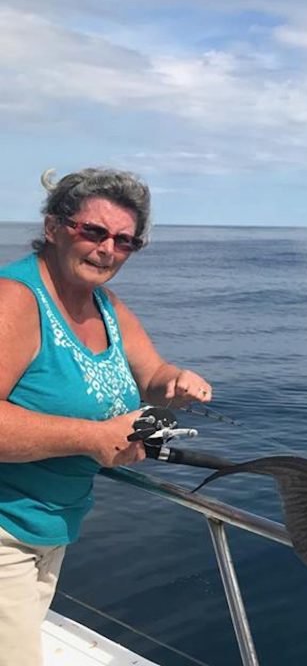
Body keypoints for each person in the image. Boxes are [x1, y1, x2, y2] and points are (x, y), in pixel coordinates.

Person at [0, 168, 213, 666]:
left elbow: (153, 374)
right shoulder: (15, 300)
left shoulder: (105, 305)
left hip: (48, 533)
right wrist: (94, 438)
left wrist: (176, 383)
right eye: (92, 231)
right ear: (54, 227)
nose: (107, 249)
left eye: (124, 241)